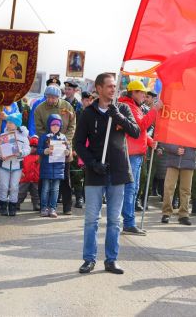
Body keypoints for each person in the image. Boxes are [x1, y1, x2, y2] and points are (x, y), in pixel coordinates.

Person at [74, 73, 140, 274]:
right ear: (99, 88)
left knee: (114, 220)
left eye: (114, 86)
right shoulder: (88, 113)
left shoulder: (122, 108)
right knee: (91, 219)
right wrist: (92, 163)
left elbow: (136, 131)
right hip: (96, 172)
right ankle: (89, 259)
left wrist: (117, 116)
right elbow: (77, 143)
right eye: (109, 86)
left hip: (118, 171)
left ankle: (111, 260)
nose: (113, 89)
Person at [118, 80, 161, 235]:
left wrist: (150, 141)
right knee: (130, 189)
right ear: (133, 93)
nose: (144, 95)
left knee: (132, 189)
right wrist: (155, 109)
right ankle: (128, 223)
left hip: (134, 152)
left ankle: (128, 222)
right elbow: (141, 125)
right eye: (141, 92)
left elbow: (138, 130)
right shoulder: (129, 107)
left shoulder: (132, 106)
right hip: (132, 153)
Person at [34, 85, 76, 214]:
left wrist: (65, 141)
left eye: (54, 97)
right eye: (48, 97)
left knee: (64, 176)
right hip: (47, 147)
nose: (51, 100)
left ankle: (67, 206)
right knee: (44, 177)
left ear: (59, 97)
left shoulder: (67, 106)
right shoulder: (39, 109)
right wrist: (47, 141)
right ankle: (43, 206)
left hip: (64, 146)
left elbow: (72, 125)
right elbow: (39, 128)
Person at [0, 113, 30, 216]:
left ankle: (13, 205)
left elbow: (27, 149)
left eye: (11, 122)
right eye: (7, 122)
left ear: (17, 124)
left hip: (17, 165)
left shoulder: (23, 137)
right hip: (4, 165)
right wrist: (0, 155)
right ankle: (3, 205)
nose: (8, 124)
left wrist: (21, 153)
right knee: (3, 186)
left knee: (14, 186)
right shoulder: (2, 136)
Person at [38, 115, 70, 218]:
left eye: (57, 125)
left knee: (56, 189)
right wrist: (44, 151)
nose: (55, 127)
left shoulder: (63, 137)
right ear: (49, 125)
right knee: (45, 188)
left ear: (60, 126)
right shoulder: (44, 137)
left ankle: (53, 208)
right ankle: (43, 208)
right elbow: (39, 150)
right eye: (53, 125)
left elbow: (68, 150)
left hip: (59, 167)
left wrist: (67, 152)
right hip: (46, 167)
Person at [159, 143, 196, 225]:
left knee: (186, 189)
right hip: (173, 161)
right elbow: (164, 141)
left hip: (189, 161)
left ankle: (184, 214)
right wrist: (175, 149)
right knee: (168, 188)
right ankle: (166, 213)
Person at [17, 135, 41, 211]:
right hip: (25, 178)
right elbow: (20, 165)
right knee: (21, 193)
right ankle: (16, 203)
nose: (33, 148)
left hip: (36, 179)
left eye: (35, 147)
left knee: (36, 194)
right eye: (31, 146)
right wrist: (20, 172)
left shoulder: (40, 157)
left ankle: (36, 204)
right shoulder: (24, 156)